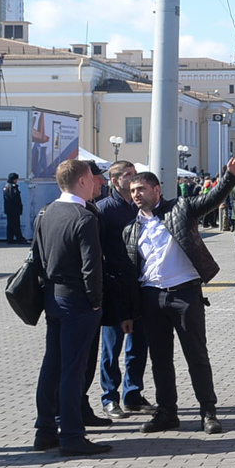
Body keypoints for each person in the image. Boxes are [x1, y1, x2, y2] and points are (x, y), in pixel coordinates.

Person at [125, 155, 235, 433]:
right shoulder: (131, 230)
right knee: (160, 359)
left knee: (196, 356)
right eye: (132, 191)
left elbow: (212, 199)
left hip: (185, 296)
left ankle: (208, 412)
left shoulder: (181, 208)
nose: (136, 195)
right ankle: (167, 412)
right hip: (152, 298)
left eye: (141, 189)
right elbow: (131, 273)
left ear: (156, 190)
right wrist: (128, 312)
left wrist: (230, 176)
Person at [32, 157, 112, 457]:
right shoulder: (84, 217)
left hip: (52, 297)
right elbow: (92, 267)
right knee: (73, 370)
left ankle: (45, 430)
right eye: (93, 178)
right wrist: (96, 302)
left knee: (52, 365)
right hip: (77, 301)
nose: (96, 183)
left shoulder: (46, 212)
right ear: (81, 181)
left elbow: (38, 258)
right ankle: (73, 436)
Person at [94, 159, 148, 416]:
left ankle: (133, 394)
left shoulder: (142, 207)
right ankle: (109, 397)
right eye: (127, 175)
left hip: (141, 285)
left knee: (139, 344)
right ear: (115, 181)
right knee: (111, 347)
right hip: (115, 287)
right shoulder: (104, 210)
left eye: (135, 174)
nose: (133, 178)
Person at [2, 172, 25, 244]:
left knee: (10, 225)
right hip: (14, 209)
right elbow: (14, 198)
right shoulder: (13, 186)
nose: (17, 180)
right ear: (14, 179)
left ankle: (10, 239)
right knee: (16, 224)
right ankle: (19, 239)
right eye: (16, 179)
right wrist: (19, 207)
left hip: (9, 209)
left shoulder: (6, 186)